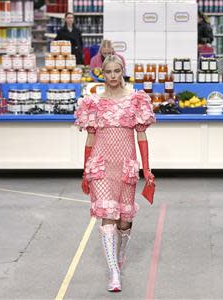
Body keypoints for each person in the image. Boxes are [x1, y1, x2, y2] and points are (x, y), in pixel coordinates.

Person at [74, 55, 156, 292]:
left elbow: (141, 135)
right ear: (102, 73)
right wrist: (85, 170)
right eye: (108, 71)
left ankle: (121, 252)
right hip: (101, 164)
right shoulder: (93, 103)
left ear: (122, 72)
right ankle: (114, 272)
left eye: (116, 71)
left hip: (125, 164)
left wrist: (147, 169)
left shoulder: (136, 100)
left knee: (125, 219)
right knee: (107, 215)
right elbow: (90, 138)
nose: (112, 76)